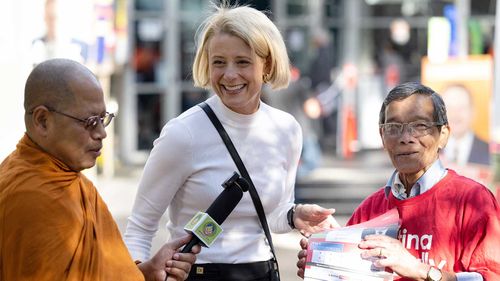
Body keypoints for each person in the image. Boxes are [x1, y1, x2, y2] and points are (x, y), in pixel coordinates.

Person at [124, 2, 339, 281]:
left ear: (267, 65)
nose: (229, 75)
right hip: (199, 274)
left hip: (263, 272)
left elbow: (271, 213)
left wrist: (294, 215)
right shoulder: (183, 133)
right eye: (219, 62)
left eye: (242, 62)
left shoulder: (287, 129)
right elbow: (140, 227)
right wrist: (139, 272)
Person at [0, 58, 199, 281]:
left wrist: (146, 272)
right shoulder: (31, 197)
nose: (101, 133)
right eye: (90, 121)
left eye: (103, 119)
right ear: (43, 120)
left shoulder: (71, 182)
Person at [296, 82, 500, 280]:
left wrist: (420, 270)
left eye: (419, 126)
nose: (406, 137)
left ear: (443, 135)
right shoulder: (371, 208)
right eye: (393, 127)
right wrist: (326, 264)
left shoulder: (473, 200)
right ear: (382, 136)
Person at [440, 84, 490, 166]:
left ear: (473, 112)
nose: (455, 114)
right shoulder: (427, 152)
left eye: (462, 108)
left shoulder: (490, 153)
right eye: (449, 108)